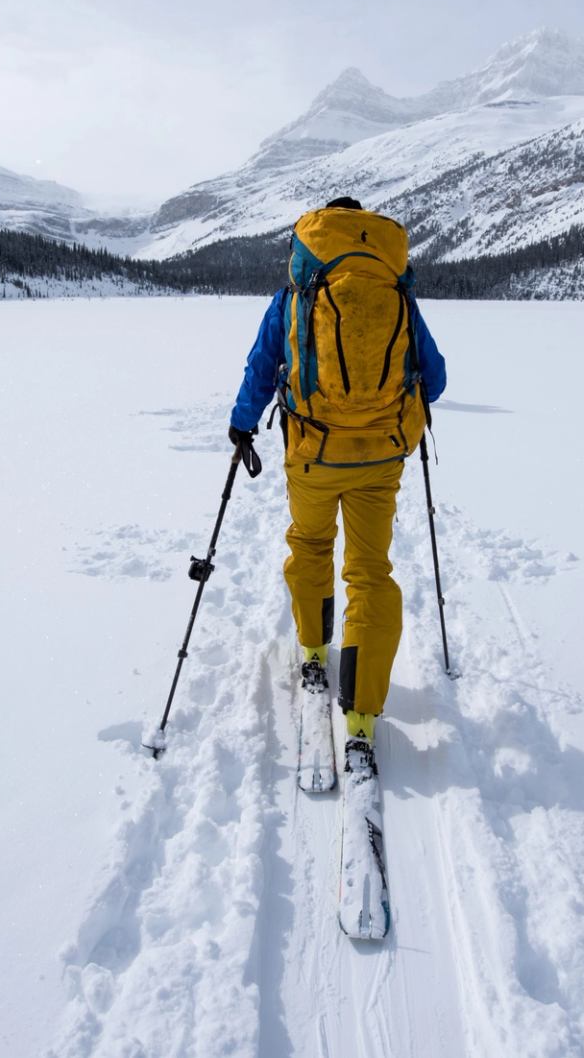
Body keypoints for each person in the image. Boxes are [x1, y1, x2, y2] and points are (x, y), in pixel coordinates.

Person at [227, 196, 446, 776]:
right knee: (371, 573)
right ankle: (363, 714)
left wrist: (242, 423)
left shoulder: (298, 292)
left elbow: (260, 365)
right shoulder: (396, 290)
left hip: (313, 452)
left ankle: (315, 656)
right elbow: (438, 376)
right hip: (381, 457)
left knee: (311, 545)